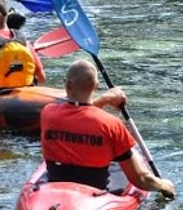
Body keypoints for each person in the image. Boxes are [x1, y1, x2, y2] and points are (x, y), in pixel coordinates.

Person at [40, 60, 174, 198]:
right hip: (93, 196)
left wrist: (105, 99)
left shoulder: (48, 113)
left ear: (66, 84)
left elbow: (77, 113)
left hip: (56, 189)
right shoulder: (112, 124)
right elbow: (140, 179)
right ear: (96, 86)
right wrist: (164, 185)